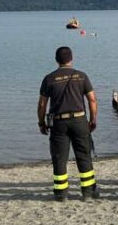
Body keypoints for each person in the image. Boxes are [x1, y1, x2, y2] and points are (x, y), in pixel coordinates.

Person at [37, 46, 99, 202]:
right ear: (71, 59)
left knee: (59, 158)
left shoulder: (49, 78)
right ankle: (88, 193)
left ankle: (61, 193)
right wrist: (93, 119)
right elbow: (92, 99)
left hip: (58, 122)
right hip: (79, 120)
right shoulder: (81, 76)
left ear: (56, 60)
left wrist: (41, 122)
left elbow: (42, 105)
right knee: (84, 156)